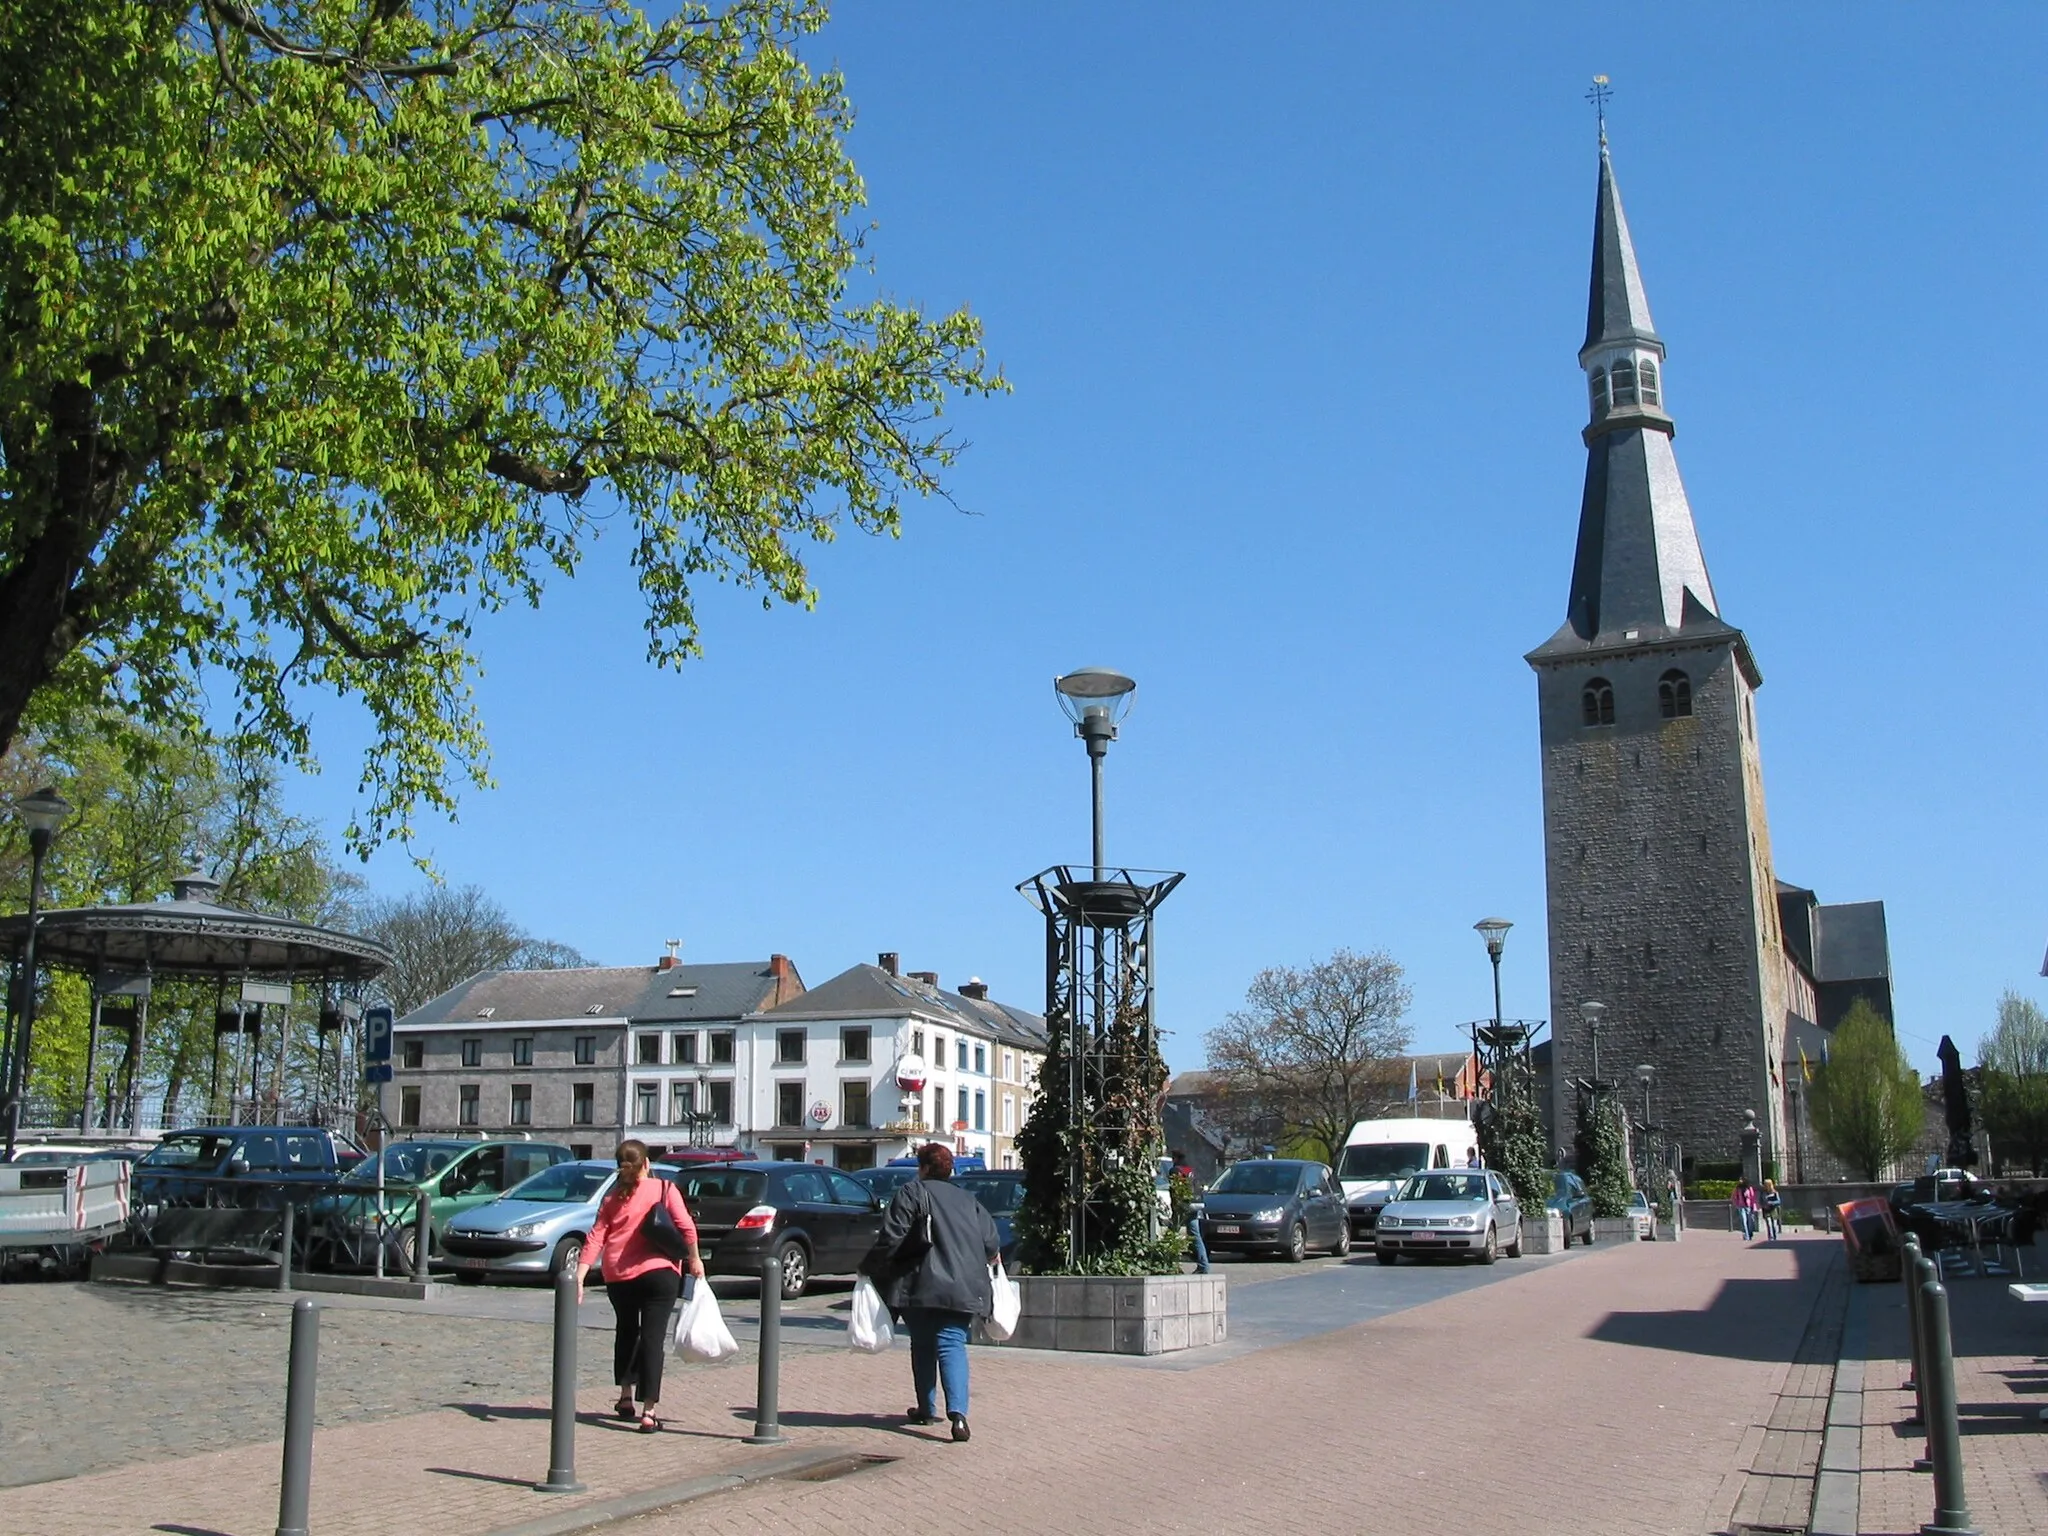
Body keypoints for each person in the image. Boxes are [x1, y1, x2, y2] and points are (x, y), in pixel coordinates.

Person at [864, 1141, 1000, 1443]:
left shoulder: (912, 1193)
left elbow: (892, 1236)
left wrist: (869, 1268)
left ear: (923, 1168)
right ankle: (959, 1416)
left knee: (923, 1344)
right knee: (952, 1343)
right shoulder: (969, 1200)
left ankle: (926, 1408)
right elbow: (991, 1243)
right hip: (965, 1287)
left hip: (920, 1284)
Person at [576, 1140, 703, 1433]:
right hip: (660, 1274)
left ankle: (624, 1397)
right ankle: (649, 1411)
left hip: (619, 1276)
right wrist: (694, 1259)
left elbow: (595, 1238)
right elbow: (686, 1227)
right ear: (647, 1164)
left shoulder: (611, 1199)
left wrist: (580, 1276)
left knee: (626, 1332)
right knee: (652, 1339)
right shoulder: (664, 1189)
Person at [1734, 1177, 1762, 1241]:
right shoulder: (1738, 1189)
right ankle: (1746, 1235)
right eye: (1739, 1180)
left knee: (1750, 1222)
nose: (1740, 1181)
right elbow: (1734, 1197)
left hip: (1749, 1206)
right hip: (1741, 1206)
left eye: (1741, 1180)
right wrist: (1737, 1204)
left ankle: (1750, 1233)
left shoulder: (1749, 1188)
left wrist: (1754, 1207)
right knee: (1744, 1221)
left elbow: (1753, 1198)